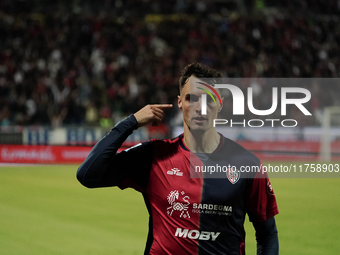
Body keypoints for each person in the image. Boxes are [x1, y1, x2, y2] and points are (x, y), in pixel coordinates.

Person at [77, 63, 279, 255]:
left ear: (219, 104)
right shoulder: (155, 156)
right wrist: (130, 123)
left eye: (209, 99)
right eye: (192, 98)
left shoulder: (247, 164)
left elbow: (267, 233)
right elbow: (88, 175)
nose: (201, 107)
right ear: (180, 102)